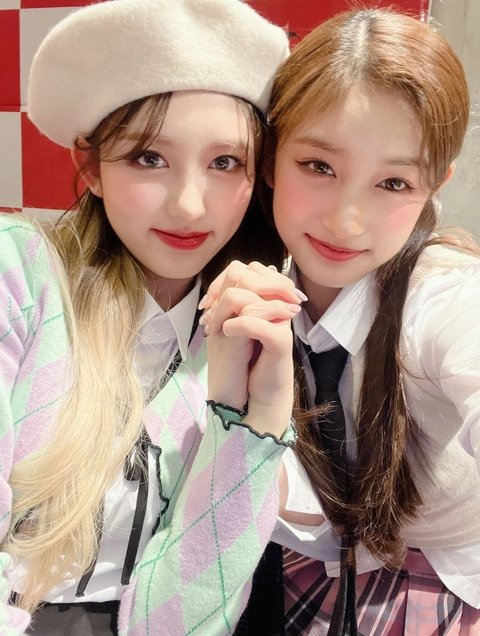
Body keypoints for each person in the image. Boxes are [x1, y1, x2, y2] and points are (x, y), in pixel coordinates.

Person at [0, 1, 302, 634]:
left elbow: (188, 615)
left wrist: (258, 420)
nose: (190, 206)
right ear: (90, 166)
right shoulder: (20, 276)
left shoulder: (245, 331)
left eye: (225, 162)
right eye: (148, 157)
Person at [202, 7, 480, 635]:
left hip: (440, 578)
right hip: (315, 565)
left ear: (435, 186)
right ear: (271, 158)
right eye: (319, 167)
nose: (346, 220)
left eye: (394, 183)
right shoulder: (254, 290)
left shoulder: (440, 296)